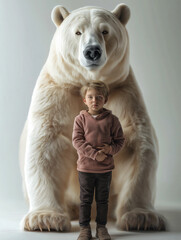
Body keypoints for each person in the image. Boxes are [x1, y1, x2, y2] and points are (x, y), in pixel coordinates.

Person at [72, 81, 125, 240]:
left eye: (99, 97)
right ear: (84, 100)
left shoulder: (112, 120)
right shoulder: (80, 119)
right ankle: (85, 228)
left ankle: (101, 228)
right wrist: (96, 155)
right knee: (85, 200)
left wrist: (110, 150)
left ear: (105, 100)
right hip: (85, 169)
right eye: (90, 97)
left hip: (104, 170)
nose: (95, 100)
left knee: (103, 200)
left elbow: (120, 141)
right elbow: (77, 142)